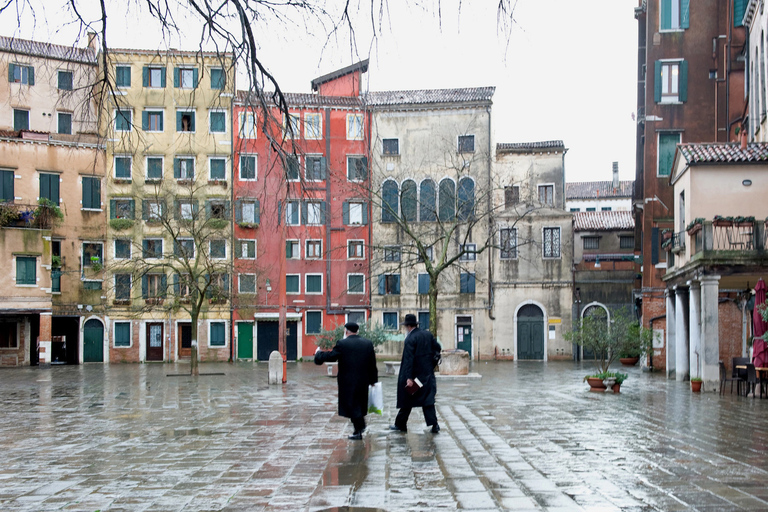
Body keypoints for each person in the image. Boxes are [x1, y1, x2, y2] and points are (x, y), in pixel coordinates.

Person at [314, 322, 378, 440]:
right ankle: (359, 427)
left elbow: (331, 356)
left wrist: (318, 354)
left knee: (351, 405)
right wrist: (373, 380)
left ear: (346, 331)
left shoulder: (342, 344)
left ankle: (358, 430)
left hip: (347, 382)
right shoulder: (367, 343)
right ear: (357, 331)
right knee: (358, 404)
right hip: (363, 380)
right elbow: (372, 364)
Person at [389, 314, 442, 434]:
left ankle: (400, 424)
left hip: (415, 377)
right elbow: (437, 348)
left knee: (407, 398)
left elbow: (409, 360)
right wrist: (431, 364)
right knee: (428, 400)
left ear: (407, 326)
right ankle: (434, 425)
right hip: (427, 375)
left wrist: (408, 378)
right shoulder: (427, 335)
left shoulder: (410, 339)